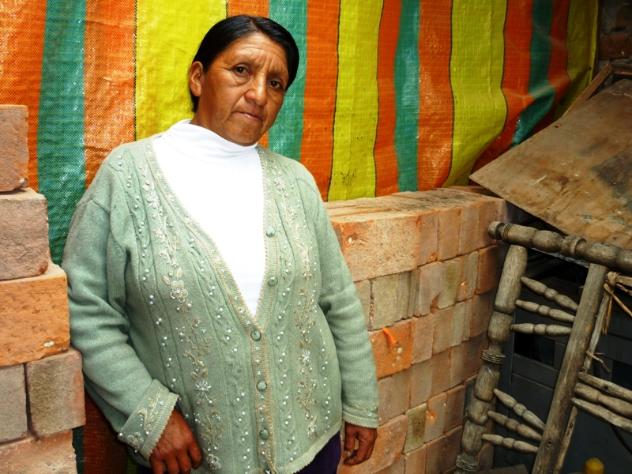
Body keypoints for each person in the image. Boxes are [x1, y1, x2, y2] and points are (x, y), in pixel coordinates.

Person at [63, 15, 378, 474]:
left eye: (276, 83)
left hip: (313, 444)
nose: (259, 94)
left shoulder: (296, 182)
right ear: (198, 77)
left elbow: (338, 302)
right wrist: (147, 415)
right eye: (241, 71)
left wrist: (362, 403)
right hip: (191, 460)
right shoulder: (127, 178)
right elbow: (85, 308)